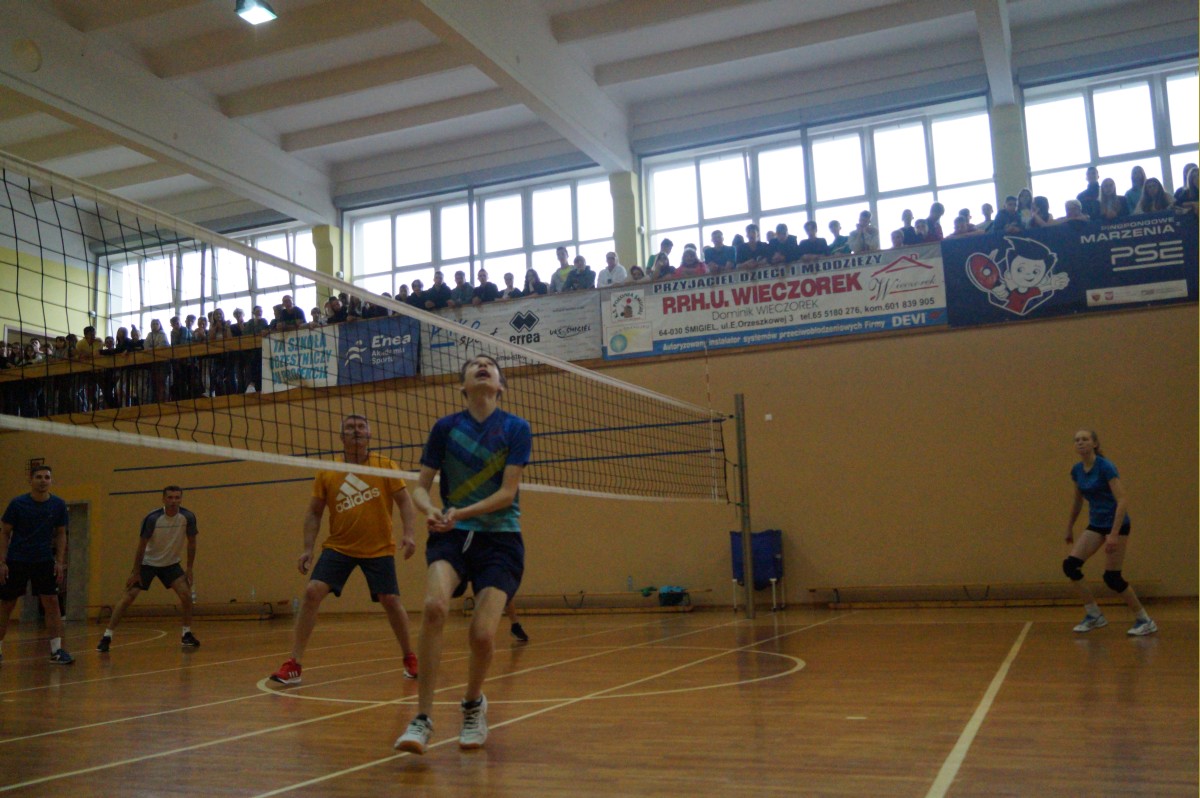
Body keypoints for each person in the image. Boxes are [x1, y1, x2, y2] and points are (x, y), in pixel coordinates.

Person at [395, 355, 532, 755]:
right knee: (434, 607)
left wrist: (459, 512)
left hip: (500, 539)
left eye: (489, 364)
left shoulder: (516, 428)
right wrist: (430, 509)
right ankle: (422, 718)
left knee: (482, 634)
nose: (482, 366)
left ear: (500, 386)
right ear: (463, 386)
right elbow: (420, 488)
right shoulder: (445, 428)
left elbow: (507, 494)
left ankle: (473, 704)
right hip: (452, 536)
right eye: (474, 365)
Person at [270, 414, 420, 685]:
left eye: (361, 427)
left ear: (369, 435)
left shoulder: (385, 466)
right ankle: (294, 664)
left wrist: (409, 534)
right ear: (341, 437)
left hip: (378, 547)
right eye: (350, 428)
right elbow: (314, 512)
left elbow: (405, 503)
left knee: (390, 600)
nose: (356, 431)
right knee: (312, 592)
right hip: (339, 546)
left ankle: (410, 657)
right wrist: (307, 549)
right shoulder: (328, 471)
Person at [1062, 430, 1156, 636]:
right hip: (1097, 524)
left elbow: (1122, 500)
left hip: (1117, 523)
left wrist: (1113, 534)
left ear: (1095, 444)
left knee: (1112, 577)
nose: (1080, 443)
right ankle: (1094, 614)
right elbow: (1077, 501)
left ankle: (1145, 620)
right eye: (1077, 440)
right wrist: (1069, 526)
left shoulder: (1106, 467)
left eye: (1085, 439)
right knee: (1070, 566)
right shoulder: (1077, 470)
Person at [96, 486, 199, 653]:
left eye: (177, 497)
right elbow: (141, 546)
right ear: (163, 499)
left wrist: (189, 568)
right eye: (170, 497)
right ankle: (107, 636)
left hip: (171, 564)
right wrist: (136, 572)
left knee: (186, 595)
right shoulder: (153, 518)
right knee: (128, 597)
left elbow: (192, 542)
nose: (173, 501)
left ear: (181, 499)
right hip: (148, 563)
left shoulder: (188, 517)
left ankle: (186, 634)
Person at [0, 465, 72, 664]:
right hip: (17, 560)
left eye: (47, 477)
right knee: (7, 604)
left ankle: (57, 651)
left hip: (44, 560)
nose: (43, 481)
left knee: (52, 602)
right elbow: (5, 533)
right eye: (39, 477)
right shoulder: (17, 504)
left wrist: (59, 562)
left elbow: (61, 534)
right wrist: (2, 562)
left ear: (51, 481)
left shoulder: (58, 505)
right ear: (30, 480)